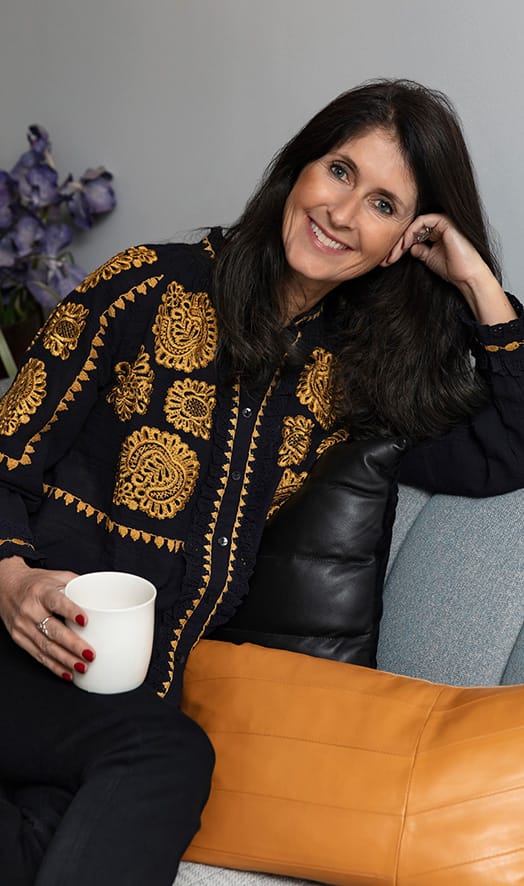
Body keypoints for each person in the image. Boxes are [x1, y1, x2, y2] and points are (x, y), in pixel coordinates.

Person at [0, 78, 523, 885]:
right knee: (170, 759)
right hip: (18, 644)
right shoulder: (146, 286)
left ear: (403, 242)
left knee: (50, 835)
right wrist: (11, 576)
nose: (342, 214)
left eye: (384, 205)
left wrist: (477, 282)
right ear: (300, 168)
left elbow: (508, 445)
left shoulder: (353, 377)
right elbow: (9, 446)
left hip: (113, 707)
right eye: (340, 171)